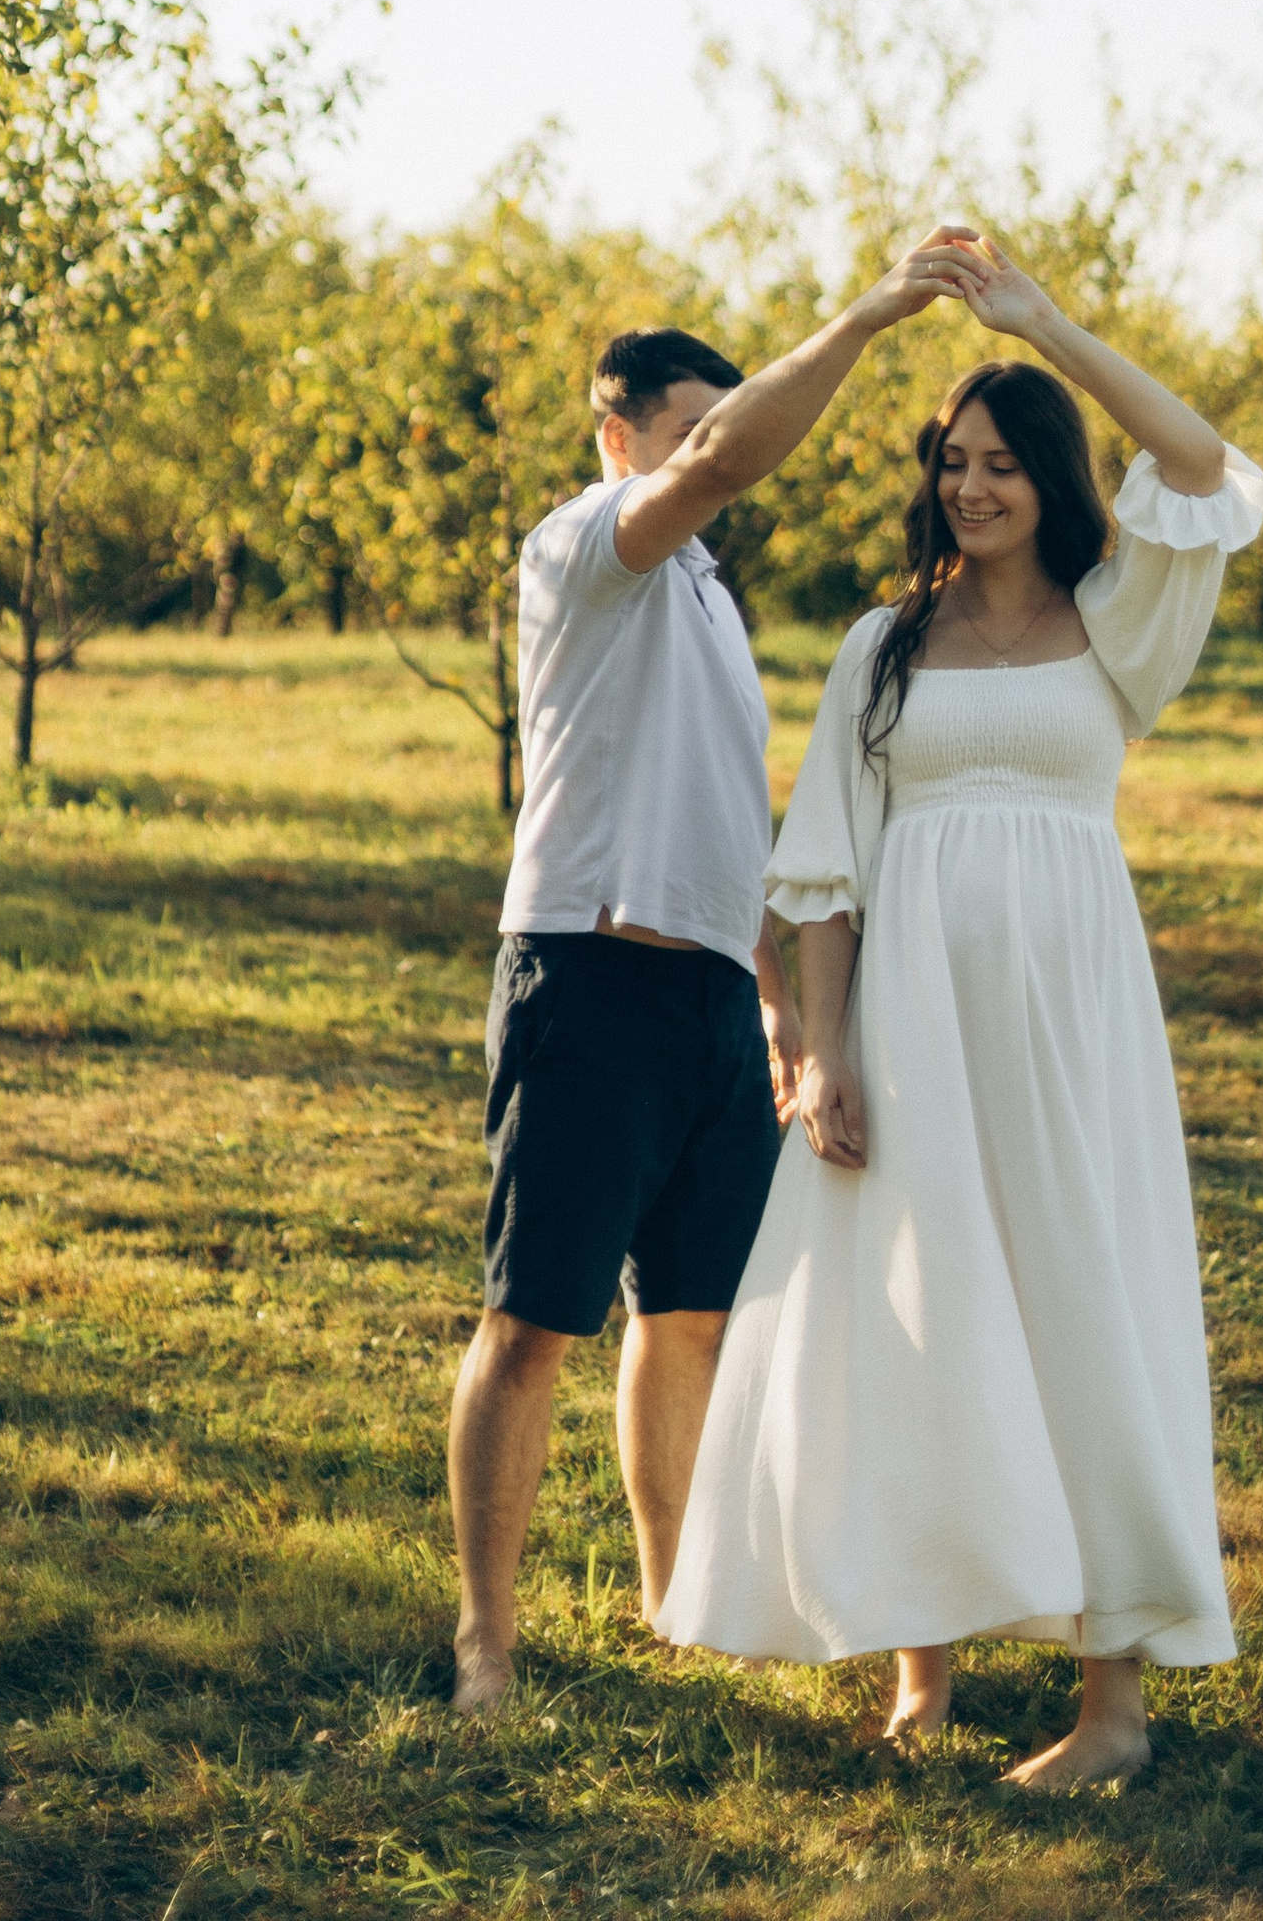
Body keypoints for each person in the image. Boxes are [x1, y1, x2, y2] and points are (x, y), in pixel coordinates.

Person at [654, 233, 1263, 1793]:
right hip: (914, 1019)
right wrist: (828, 1049)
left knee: (1081, 1299)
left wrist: (1042, 324)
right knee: (918, 1308)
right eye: (955, 463)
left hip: (1070, 1025)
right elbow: (826, 877)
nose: (975, 487)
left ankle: (1112, 1701)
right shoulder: (885, 646)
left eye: (1002, 462)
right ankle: (922, 1673)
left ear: (1052, 478)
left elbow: (1200, 464)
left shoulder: (1120, 619)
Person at [449, 241, 970, 1717]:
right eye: (685, 433)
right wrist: (870, 313)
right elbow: (729, 463)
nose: (708, 462)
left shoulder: (707, 603)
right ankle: (486, 1640)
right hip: (588, 978)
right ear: (619, 437)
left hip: (703, 1010)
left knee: (688, 1320)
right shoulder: (589, 544)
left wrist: (779, 1001)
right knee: (533, 1315)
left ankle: (671, 1598)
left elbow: (729, 816)